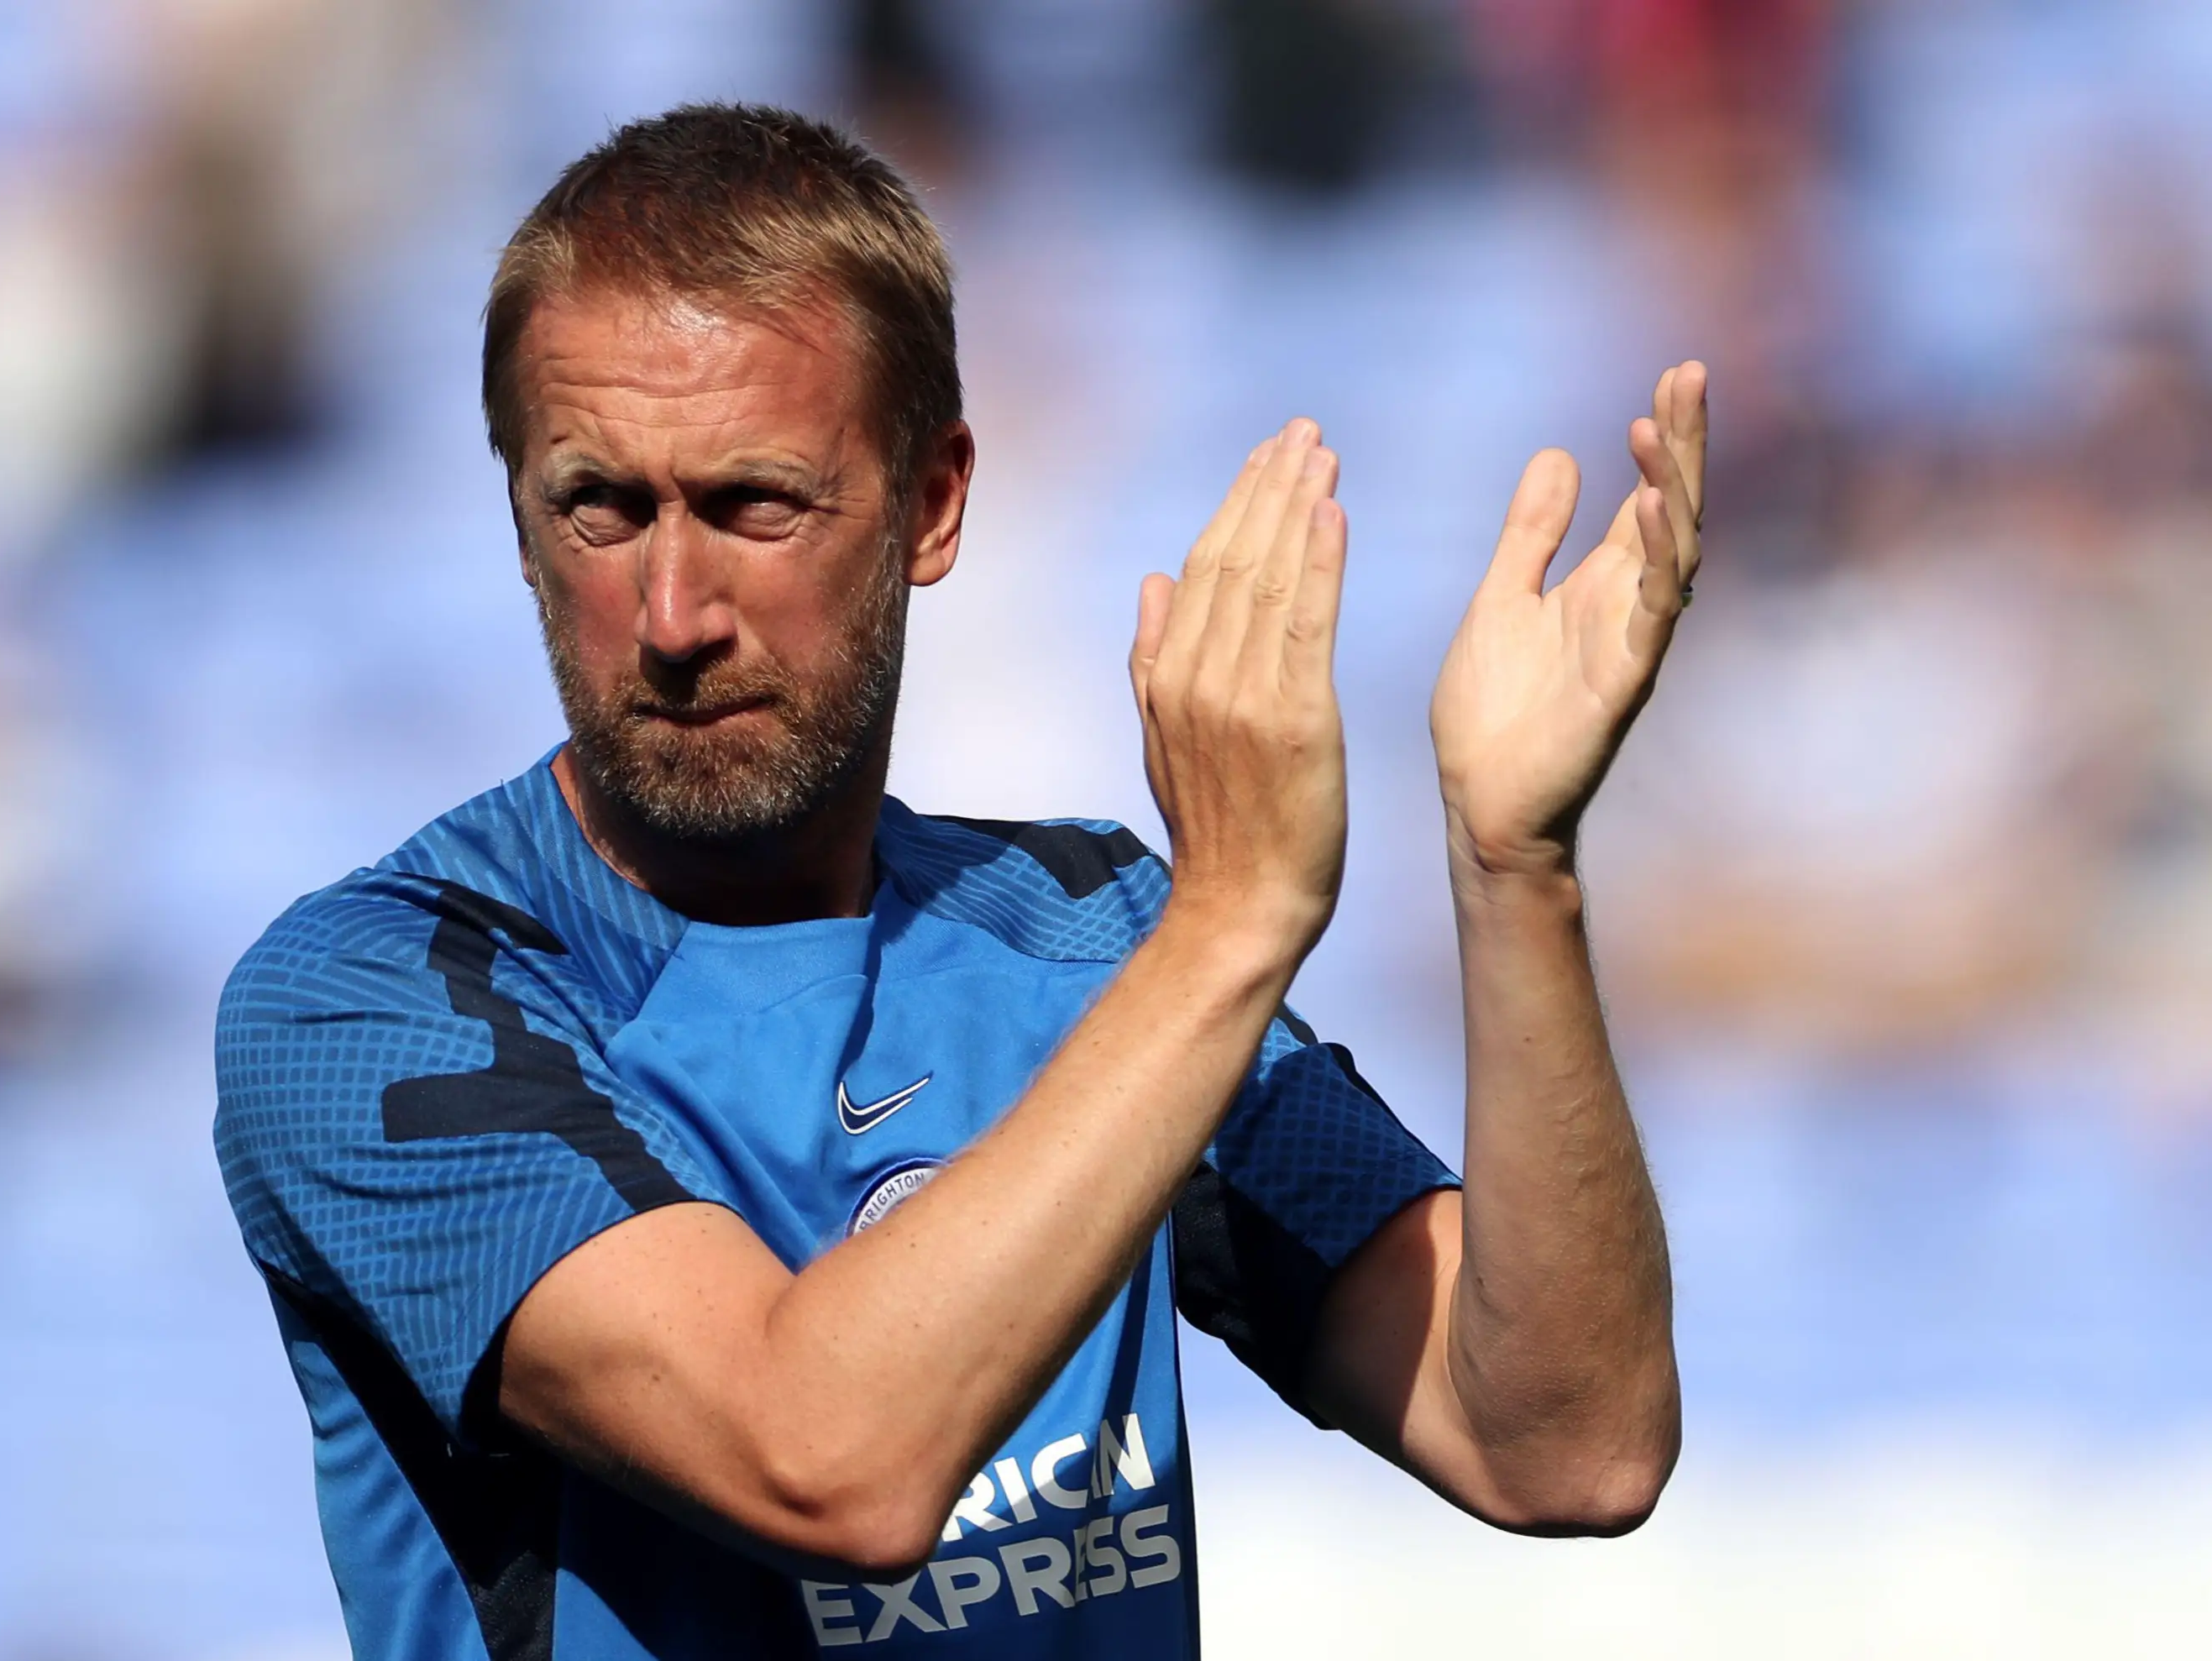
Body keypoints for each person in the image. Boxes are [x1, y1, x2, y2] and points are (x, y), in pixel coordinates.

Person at [215, 102, 1696, 1659]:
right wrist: (1237, 920)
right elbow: (826, 1458)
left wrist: (1514, 869)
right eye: (601, 506)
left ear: (932, 503)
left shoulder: (1094, 945)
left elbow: (1563, 1441)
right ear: (521, 518)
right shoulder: (370, 1001)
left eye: (752, 503)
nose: (668, 610)